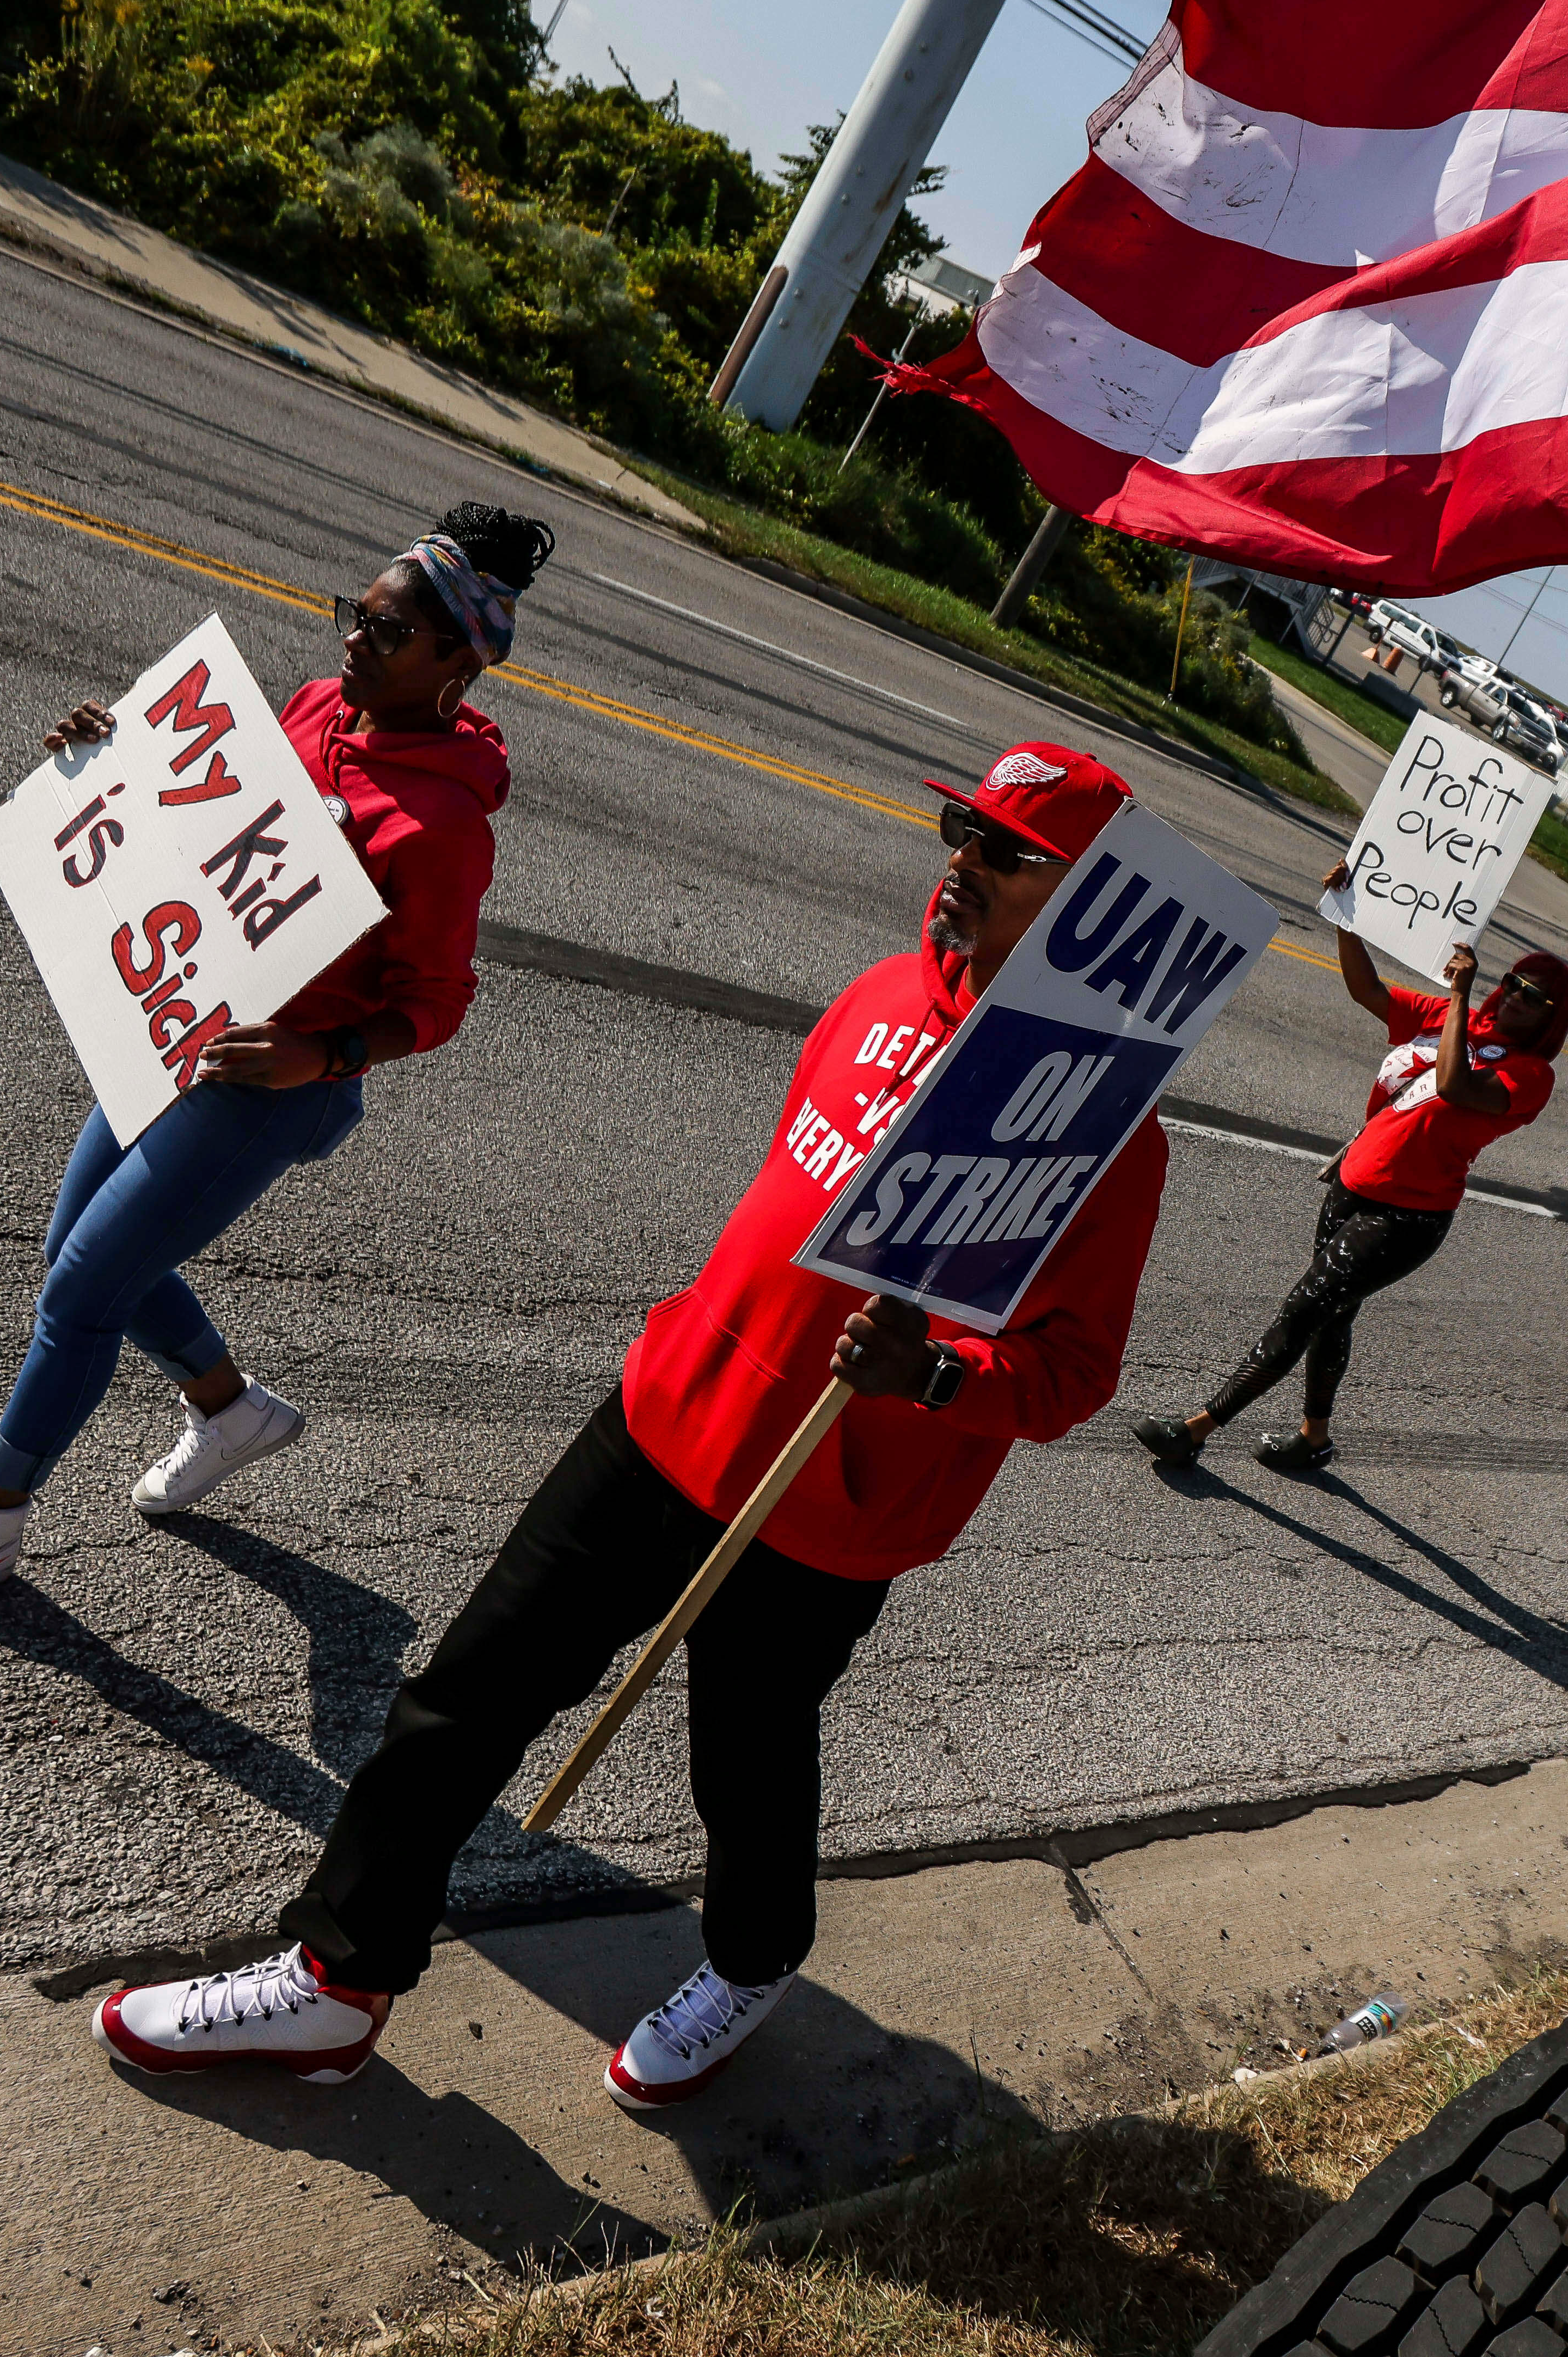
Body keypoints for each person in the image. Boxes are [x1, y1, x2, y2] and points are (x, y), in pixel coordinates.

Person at [90, 745, 1171, 2107]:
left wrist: (935, 1372)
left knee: (746, 1757)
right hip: (672, 1414)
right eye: (958, 824)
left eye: (1004, 849)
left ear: (1087, 908)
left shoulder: (1108, 1134)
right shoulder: (880, 994)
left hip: (824, 1502)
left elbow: (1070, 1374)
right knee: (462, 1691)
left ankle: (754, 1955)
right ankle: (333, 1983)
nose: (956, 857)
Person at [0, 504, 557, 1601]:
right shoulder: (315, 706)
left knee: (86, 1291)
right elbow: (210, 825)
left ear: (456, 665)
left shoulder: (443, 828)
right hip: (178, 1022)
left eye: (385, 634)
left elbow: (435, 1005)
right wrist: (113, 763)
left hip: (265, 1086)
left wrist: (323, 1054)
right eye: (357, 615)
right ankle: (229, 1407)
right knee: (77, 1249)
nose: (352, 640)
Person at [1135, 872, 1568, 1473]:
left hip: (1408, 1216)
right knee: (1332, 1314)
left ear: (1552, 1016)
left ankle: (1196, 1429)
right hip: (1353, 1182)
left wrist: (1464, 1000)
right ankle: (1315, 1439)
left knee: (1302, 1309)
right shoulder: (1448, 1016)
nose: (1519, 996)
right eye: (1515, 982)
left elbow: (1452, 1084)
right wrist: (1348, 915)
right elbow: (1366, 988)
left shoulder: (1531, 1075)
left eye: (1535, 996)